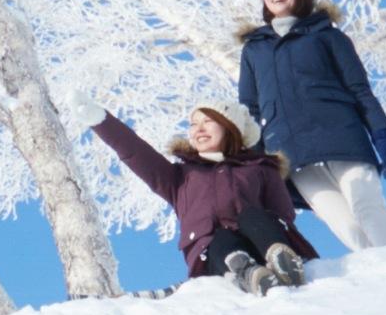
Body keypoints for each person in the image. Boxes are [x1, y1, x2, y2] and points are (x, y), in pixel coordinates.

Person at [237, 0, 386, 251]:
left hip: (341, 134)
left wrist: (382, 133)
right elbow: (249, 109)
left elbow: (359, 90)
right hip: (291, 151)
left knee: (367, 204)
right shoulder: (254, 49)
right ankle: (381, 279)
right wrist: (256, 158)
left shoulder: (328, 36)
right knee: (339, 220)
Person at [89, 107, 317, 295]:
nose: (198, 129)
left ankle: (282, 259)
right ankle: (249, 274)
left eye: (208, 121)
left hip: (261, 239)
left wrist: (271, 232)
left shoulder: (260, 168)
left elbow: (283, 214)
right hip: (214, 255)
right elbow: (137, 153)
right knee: (218, 239)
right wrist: (102, 122)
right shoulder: (179, 177)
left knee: (253, 216)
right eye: (193, 124)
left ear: (231, 127)